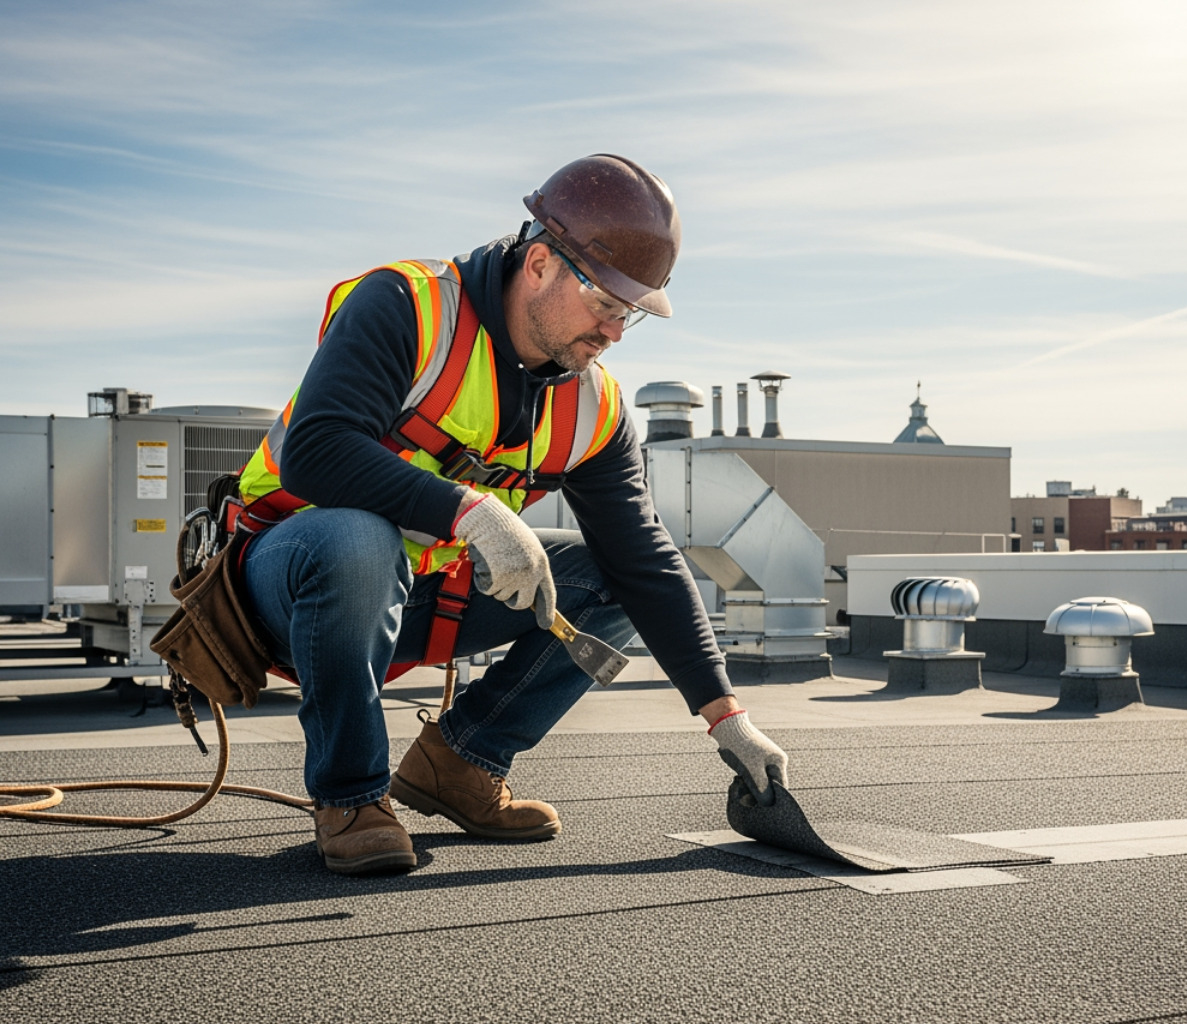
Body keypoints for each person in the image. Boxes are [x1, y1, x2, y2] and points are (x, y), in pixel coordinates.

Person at [235, 154, 787, 875]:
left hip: (426, 596)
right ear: (538, 264)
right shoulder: (408, 305)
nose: (615, 331)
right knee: (357, 537)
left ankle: (462, 764)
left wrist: (727, 715)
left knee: (607, 576)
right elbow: (315, 449)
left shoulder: (596, 406)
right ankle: (352, 796)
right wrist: (468, 511)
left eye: (631, 314)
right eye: (606, 304)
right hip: (295, 579)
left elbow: (643, 557)